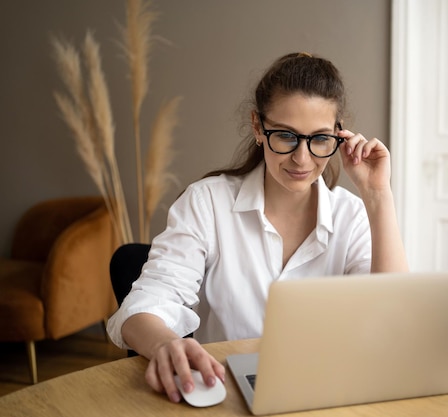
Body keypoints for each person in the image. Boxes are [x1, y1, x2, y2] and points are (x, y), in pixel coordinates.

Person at [106, 52, 408, 404]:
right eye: (285, 136)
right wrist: (164, 343)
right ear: (257, 127)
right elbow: (145, 305)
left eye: (320, 139)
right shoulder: (207, 203)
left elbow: (393, 324)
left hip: (325, 397)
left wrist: (378, 195)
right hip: (225, 397)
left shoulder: (352, 215)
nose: (302, 159)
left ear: (339, 136)